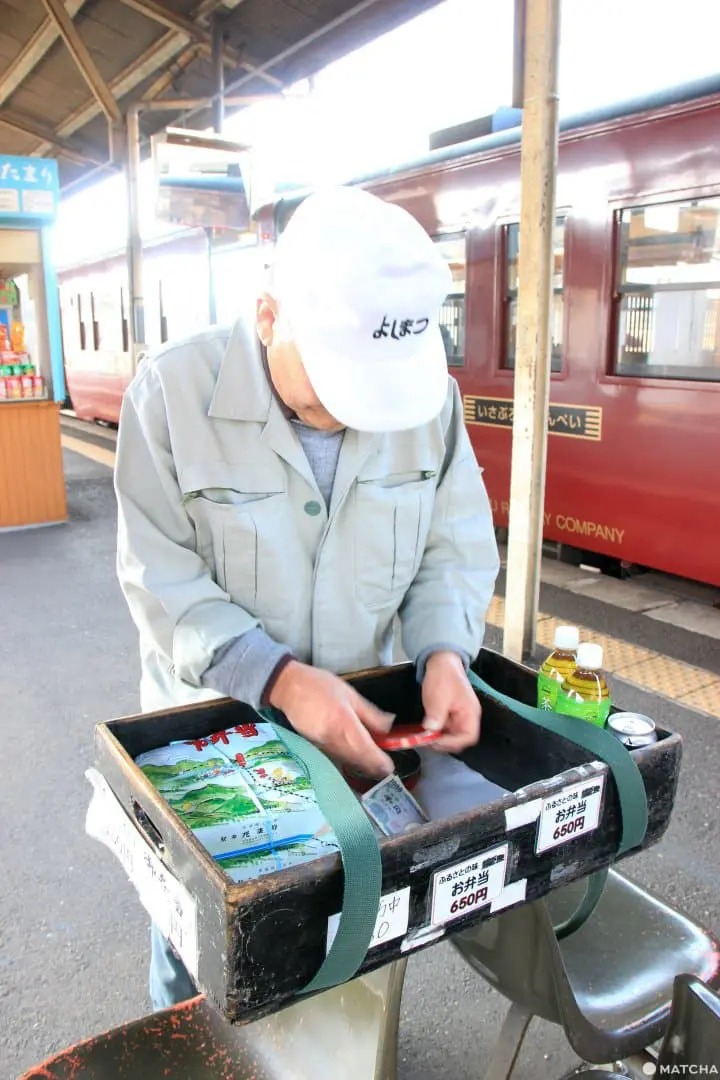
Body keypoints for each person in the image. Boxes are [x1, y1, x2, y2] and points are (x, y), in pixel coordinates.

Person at [114, 185, 500, 1010]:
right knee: (206, 978)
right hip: (212, 755)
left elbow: (453, 542)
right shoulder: (170, 396)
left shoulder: (427, 403)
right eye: (330, 389)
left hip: (358, 755)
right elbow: (160, 576)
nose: (346, 419)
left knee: (349, 952)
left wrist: (443, 654)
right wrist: (284, 682)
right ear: (266, 312)